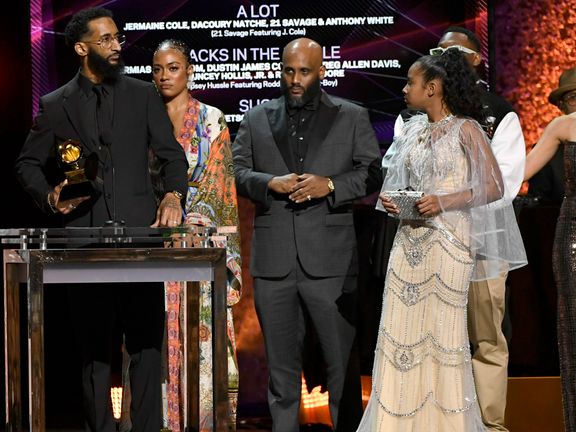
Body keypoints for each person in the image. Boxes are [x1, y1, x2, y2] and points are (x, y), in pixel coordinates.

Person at [14, 7, 188, 432]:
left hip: (140, 239)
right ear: (81, 48)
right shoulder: (56, 104)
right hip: (84, 241)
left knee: (146, 347)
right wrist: (50, 195)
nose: (116, 46)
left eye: (117, 39)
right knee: (93, 352)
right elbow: (27, 164)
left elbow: (172, 158)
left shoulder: (143, 95)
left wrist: (172, 194)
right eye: (106, 40)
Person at [359, 48, 526, 431]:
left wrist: (444, 201)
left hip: (449, 242)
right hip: (409, 242)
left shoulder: (467, 128)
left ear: (432, 88)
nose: (404, 90)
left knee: (442, 337)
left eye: (411, 83)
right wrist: (395, 200)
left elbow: (493, 185)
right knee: (401, 333)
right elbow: (402, 181)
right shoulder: (414, 129)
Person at [233, 37, 382, 432]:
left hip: (331, 260)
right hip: (274, 262)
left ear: (321, 71)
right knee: (281, 375)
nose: (295, 79)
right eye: (288, 70)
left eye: (304, 71)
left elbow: (372, 172)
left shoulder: (351, 116)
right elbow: (239, 173)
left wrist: (329, 186)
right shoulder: (256, 118)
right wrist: (271, 183)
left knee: (340, 369)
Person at [150, 39, 242, 431]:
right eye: (157, 68)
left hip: (195, 252)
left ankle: (204, 422)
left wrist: (190, 224)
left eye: (173, 67)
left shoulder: (210, 120)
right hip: (151, 248)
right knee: (150, 343)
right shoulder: (143, 116)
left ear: (189, 71)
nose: (164, 76)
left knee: (200, 343)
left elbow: (219, 186)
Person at [523, 65, 576, 432]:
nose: (571, 104)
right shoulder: (561, 128)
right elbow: (517, 174)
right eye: (568, 99)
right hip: (573, 238)